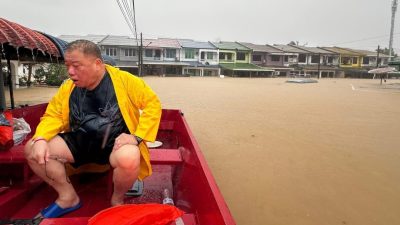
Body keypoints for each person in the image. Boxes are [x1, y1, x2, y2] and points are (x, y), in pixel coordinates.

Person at [24, 40, 162, 218]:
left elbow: (152, 104)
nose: (70, 72)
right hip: (80, 142)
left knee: (129, 157)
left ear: (97, 64)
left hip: (114, 145)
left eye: (76, 66)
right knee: (32, 147)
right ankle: (68, 197)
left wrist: (136, 137)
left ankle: (117, 200)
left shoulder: (125, 81)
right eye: (67, 66)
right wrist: (41, 138)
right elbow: (53, 116)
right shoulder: (68, 88)